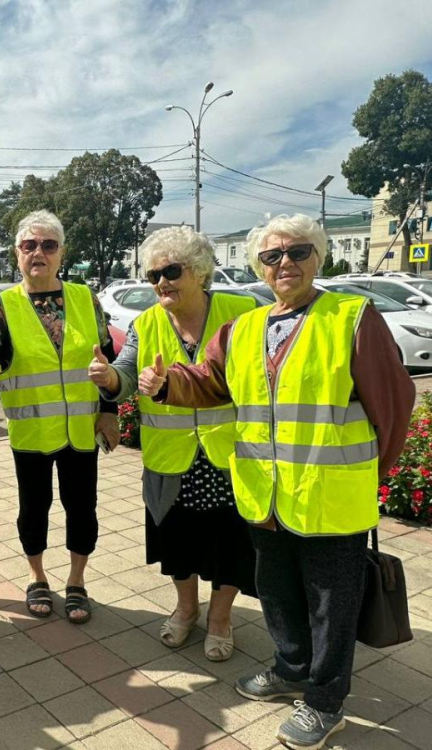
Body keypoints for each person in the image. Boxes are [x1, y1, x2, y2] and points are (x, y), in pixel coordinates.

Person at [137, 214, 415, 749]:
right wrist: (165, 382)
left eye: (298, 252)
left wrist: (371, 475)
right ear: (258, 266)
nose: (284, 263)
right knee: (278, 592)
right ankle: (290, 670)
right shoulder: (245, 328)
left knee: (330, 604)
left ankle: (324, 701)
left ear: (320, 257)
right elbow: (209, 381)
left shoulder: (351, 317)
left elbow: (394, 404)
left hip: (330, 496)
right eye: (272, 256)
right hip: (264, 494)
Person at [88, 226, 257, 659]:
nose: (161, 281)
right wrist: (111, 380)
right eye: (154, 275)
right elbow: (126, 377)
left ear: (199, 272)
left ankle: (220, 617)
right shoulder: (146, 323)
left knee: (231, 542)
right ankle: (186, 608)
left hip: (231, 454)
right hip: (171, 459)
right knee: (176, 539)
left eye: (172, 270)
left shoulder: (243, 312)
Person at [0, 210, 119, 624]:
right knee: (34, 508)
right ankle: (37, 577)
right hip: (32, 432)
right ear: (17, 253)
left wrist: (109, 411)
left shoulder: (85, 299)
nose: (38, 252)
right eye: (29, 245)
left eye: (48, 245)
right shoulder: (1, 305)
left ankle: (76, 582)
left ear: (61, 253)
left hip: (81, 432)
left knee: (82, 507)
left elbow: (107, 359)